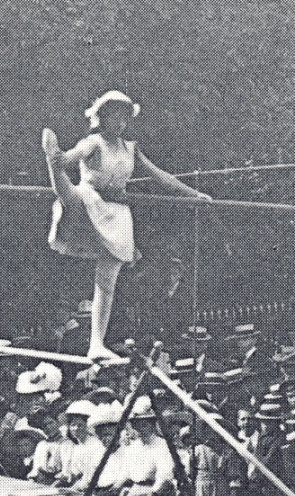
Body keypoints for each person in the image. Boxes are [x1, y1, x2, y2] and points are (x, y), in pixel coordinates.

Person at [42, 90, 210, 363]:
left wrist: (194, 194)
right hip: (91, 199)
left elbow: (161, 176)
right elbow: (74, 156)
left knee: (107, 279)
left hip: (117, 214)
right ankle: (52, 167)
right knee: (72, 196)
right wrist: (61, 160)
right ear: (102, 117)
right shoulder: (93, 142)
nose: (120, 123)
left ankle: (96, 344)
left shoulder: (131, 148)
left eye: (124, 118)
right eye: (114, 117)